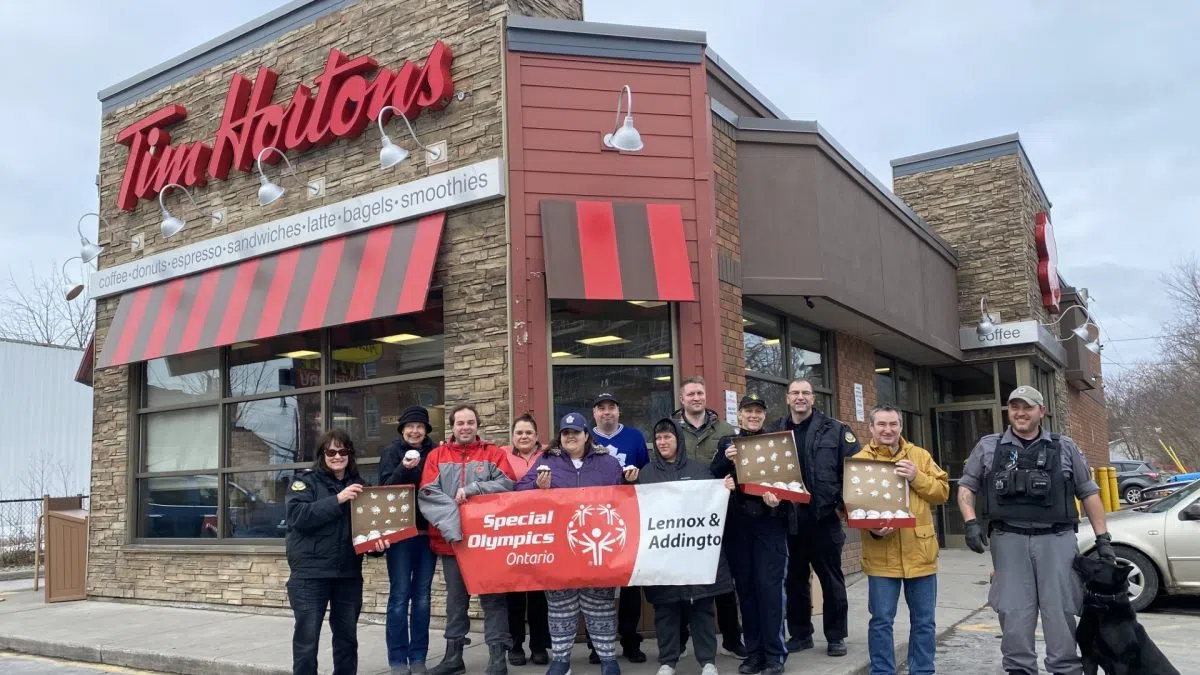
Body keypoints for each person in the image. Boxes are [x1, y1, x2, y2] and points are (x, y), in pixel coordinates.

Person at [958, 386, 1113, 675]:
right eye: (1014, 407)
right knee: (1014, 612)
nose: (1020, 413)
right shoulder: (988, 446)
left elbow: (1088, 492)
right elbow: (967, 486)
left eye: (1027, 407)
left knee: (1061, 610)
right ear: (1008, 410)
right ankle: (1019, 669)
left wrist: (1103, 538)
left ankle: (1065, 668)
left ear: (1041, 411)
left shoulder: (1064, 446)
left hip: (1056, 540)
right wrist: (970, 522)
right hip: (1009, 540)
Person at [515, 412, 638, 675]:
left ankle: (607, 659)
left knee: (601, 606)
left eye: (576, 432)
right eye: (565, 433)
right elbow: (518, 492)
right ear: (560, 437)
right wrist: (537, 486)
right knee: (561, 606)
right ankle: (561, 660)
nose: (571, 437)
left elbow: (626, 498)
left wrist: (630, 481)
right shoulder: (547, 461)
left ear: (586, 435)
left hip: (598, 546)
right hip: (559, 547)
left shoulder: (607, 462)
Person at [419, 405, 518, 675]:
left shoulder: (494, 454)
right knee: (456, 601)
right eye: (460, 422)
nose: (465, 427)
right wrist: (454, 529)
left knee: (494, 599)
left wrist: (473, 489)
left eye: (470, 422)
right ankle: (454, 658)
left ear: (477, 425)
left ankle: (497, 659)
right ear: (452, 427)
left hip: (488, 544)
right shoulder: (436, 456)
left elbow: (508, 484)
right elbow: (428, 493)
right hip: (452, 543)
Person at [853, 405, 948, 675]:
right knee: (881, 621)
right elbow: (853, 507)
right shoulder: (860, 460)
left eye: (893, 424)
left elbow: (942, 492)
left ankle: (922, 670)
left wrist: (916, 477)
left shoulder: (919, 456)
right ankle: (882, 671)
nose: (888, 429)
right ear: (870, 428)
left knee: (925, 621)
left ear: (900, 427)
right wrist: (873, 529)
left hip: (921, 552)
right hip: (882, 554)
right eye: (881, 424)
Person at [767, 377, 859, 657]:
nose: (800, 397)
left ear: (813, 398)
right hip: (788, 519)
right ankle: (800, 634)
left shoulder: (836, 430)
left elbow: (852, 471)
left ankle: (835, 636)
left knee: (831, 580)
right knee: (793, 580)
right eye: (794, 392)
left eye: (805, 393)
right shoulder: (774, 431)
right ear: (787, 398)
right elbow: (764, 472)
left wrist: (845, 506)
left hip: (823, 518)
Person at [285, 429, 390, 675]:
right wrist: (338, 499)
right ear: (322, 455)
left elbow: (367, 531)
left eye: (343, 451)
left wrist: (376, 547)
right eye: (331, 451)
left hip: (348, 574)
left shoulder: (362, 487)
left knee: (347, 639)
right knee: (307, 640)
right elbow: (298, 516)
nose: (337, 456)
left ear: (350, 455)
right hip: (310, 575)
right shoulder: (305, 482)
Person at [637, 417, 736, 675]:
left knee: (701, 609)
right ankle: (668, 661)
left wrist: (725, 489)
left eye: (667, 437)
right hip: (663, 557)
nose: (662, 442)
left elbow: (713, 506)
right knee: (666, 611)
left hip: (696, 557)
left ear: (677, 440)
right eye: (658, 438)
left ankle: (708, 661)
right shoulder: (646, 474)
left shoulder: (699, 470)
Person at [712, 394, 789, 675]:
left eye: (758, 411)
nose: (753, 415)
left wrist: (777, 500)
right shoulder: (727, 444)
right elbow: (713, 478)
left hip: (769, 525)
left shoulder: (778, 444)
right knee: (745, 592)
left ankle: (775, 655)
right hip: (738, 527)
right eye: (748, 411)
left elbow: (790, 484)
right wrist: (724, 462)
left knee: (770, 592)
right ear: (740, 415)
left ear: (764, 416)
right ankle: (754, 653)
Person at [672, 376, 744, 659]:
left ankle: (731, 638)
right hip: (682, 516)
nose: (696, 398)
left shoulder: (726, 429)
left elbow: (739, 466)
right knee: (679, 579)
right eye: (690, 394)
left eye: (700, 393)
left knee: (723, 580)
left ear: (706, 396)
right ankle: (678, 640)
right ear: (682, 399)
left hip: (720, 513)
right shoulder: (670, 429)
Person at [378, 406, 440, 675]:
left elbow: (437, 486)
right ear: (402, 429)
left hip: (428, 533)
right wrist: (404, 468)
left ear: (426, 430)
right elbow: (383, 490)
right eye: (410, 426)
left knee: (423, 598)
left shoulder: (436, 453)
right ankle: (397, 659)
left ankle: (418, 658)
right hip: (401, 535)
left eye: (420, 426)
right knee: (400, 596)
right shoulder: (391, 453)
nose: (415, 430)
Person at [590, 392, 650, 664]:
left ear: (618, 411)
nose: (607, 413)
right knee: (598, 586)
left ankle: (630, 640)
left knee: (629, 584)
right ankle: (597, 644)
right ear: (594, 414)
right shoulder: (584, 437)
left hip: (628, 517)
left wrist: (636, 480)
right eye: (601, 408)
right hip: (595, 520)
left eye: (611, 407)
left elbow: (648, 475)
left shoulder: (635, 437)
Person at [502, 414, 551, 667]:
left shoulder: (550, 456)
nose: (524, 437)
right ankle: (515, 646)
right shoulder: (501, 455)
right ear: (512, 436)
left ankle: (539, 645)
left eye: (528, 433)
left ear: (536, 435)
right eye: (519, 432)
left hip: (542, 532)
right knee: (514, 595)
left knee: (539, 595)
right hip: (512, 533)